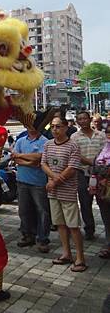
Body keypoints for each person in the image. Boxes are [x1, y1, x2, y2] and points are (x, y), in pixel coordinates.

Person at [41, 117, 86, 271]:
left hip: (68, 192)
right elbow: (43, 163)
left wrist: (54, 181)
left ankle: (80, 258)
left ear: (66, 127)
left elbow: (72, 168)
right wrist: (53, 178)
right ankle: (66, 253)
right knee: (60, 224)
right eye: (52, 126)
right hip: (53, 192)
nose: (55, 129)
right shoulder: (47, 144)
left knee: (73, 225)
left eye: (58, 126)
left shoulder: (73, 145)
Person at [12, 114, 50, 252]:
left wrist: (20, 156)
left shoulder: (45, 141)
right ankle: (27, 235)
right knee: (24, 210)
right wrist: (30, 161)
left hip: (38, 182)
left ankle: (43, 239)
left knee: (42, 211)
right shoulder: (21, 141)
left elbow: (39, 158)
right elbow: (15, 159)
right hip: (22, 181)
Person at [71, 111, 106, 240]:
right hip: (82, 174)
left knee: (103, 202)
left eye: (85, 118)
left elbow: (105, 152)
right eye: (79, 119)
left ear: (90, 119)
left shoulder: (101, 135)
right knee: (85, 204)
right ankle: (89, 229)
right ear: (77, 121)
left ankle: (107, 229)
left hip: (100, 175)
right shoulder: (74, 137)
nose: (83, 121)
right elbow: (75, 155)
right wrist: (91, 162)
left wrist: (98, 164)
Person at [89, 125, 110, 259]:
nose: (109, 134)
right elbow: (95, 167)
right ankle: (108, 244)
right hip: (103, 191)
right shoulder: (103, 150)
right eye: (108, 131)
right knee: (107, 218)